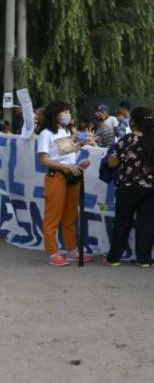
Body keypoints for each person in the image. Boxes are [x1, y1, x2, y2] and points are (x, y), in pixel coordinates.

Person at [104, 107, 154, 268]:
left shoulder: (127, 139)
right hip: (152, 188)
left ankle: (114, 258)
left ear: (134, 122)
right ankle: (144, 259)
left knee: (122, 222)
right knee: (147, 224)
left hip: (128, 187)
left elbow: (112, 162)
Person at [37, 101, 95, 266]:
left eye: (68, 112)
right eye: (64, 112)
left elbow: (67, 152)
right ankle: (53, 252)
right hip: (56, 176)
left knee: (70, 216)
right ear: (54, 114)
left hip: (73, 175)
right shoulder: (46, 133)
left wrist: (81, 148)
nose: (67, 115)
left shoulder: (67, 131)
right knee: (52, 217)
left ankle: (71, 250)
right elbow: (44, 159)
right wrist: (65, 166)